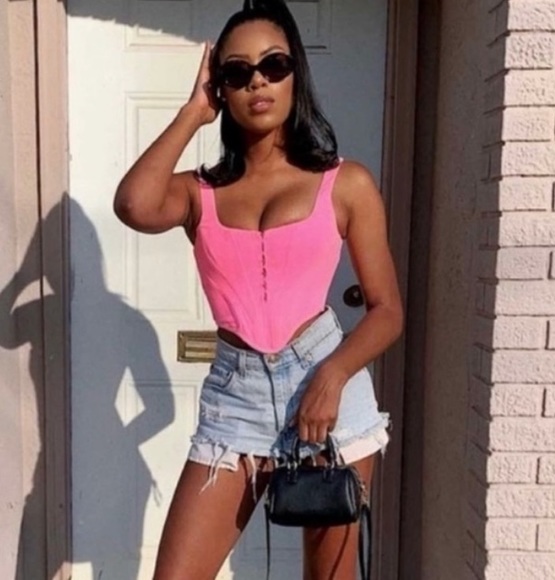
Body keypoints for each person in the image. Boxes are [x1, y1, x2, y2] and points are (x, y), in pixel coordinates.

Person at [114, 1, 403, 578]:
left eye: (273, 65)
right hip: (235, 399)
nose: (258, 82)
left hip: (326, 389)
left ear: (296, 72)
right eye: (237, 72)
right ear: (221, 87)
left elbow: (387, 311)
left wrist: (332, 377)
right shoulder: (199, 192)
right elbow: (134, 205)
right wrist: (193, 113)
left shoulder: (345, 183)